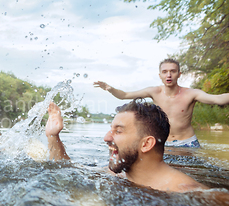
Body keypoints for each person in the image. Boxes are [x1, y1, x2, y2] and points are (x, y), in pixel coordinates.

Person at [45, 99, 208, 193]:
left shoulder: (189, 192)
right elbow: (67, 168)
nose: (106, 138)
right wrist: (53, 136)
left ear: (146, 144)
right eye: (111, 130)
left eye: (119, 131)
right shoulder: (117, 174)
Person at [94, 58, 229, 148]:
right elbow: (124, 95)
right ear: (160, 75)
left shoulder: (191, 94)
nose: (168, 75)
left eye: (172, 71)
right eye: (165, 72)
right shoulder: (154, 92)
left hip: (188, 143)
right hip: (163, 143)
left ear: (179, 74)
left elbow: (218, 99)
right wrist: (110, 89)